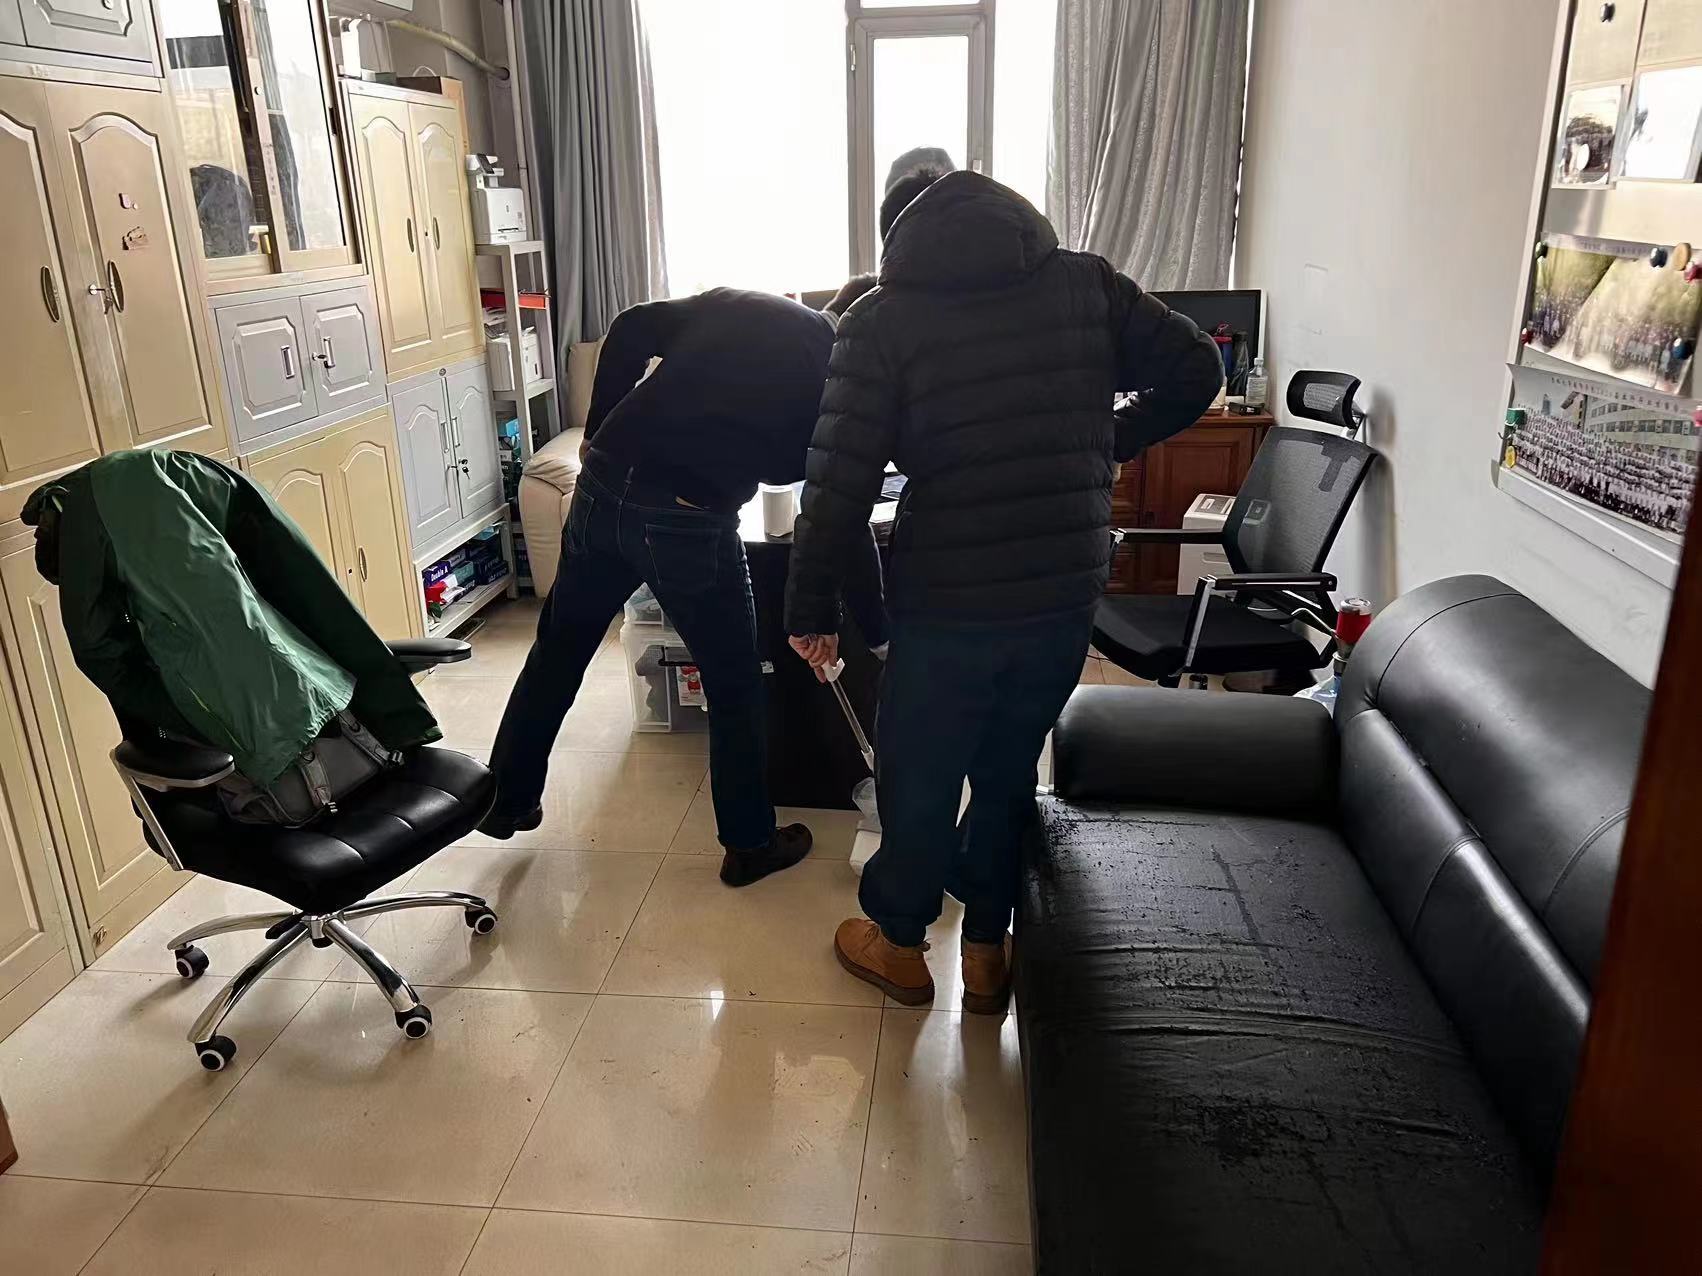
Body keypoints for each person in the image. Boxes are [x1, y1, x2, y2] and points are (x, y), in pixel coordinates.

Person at [785, 166, 1224, 1010]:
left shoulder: (880, 318)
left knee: (919, 775)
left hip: (948, 596)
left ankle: (900, 944)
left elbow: (837, 486)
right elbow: (1197, 366)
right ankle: (988, 948)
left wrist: (810, 609)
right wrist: (1110, 439)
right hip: (1063, 586)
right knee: (1008, 769)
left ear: (896, 234)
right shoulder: (1087, 284)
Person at [481, 280, 879, 887]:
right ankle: (749, 843)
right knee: (735, 682)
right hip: (688, 520)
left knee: (558, 650)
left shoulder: (752, 304)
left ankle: (505, 799)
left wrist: (597, 429)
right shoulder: (840, 386)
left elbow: (631, 324)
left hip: (601, 489)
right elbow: (830, 507)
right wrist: (869, 625)